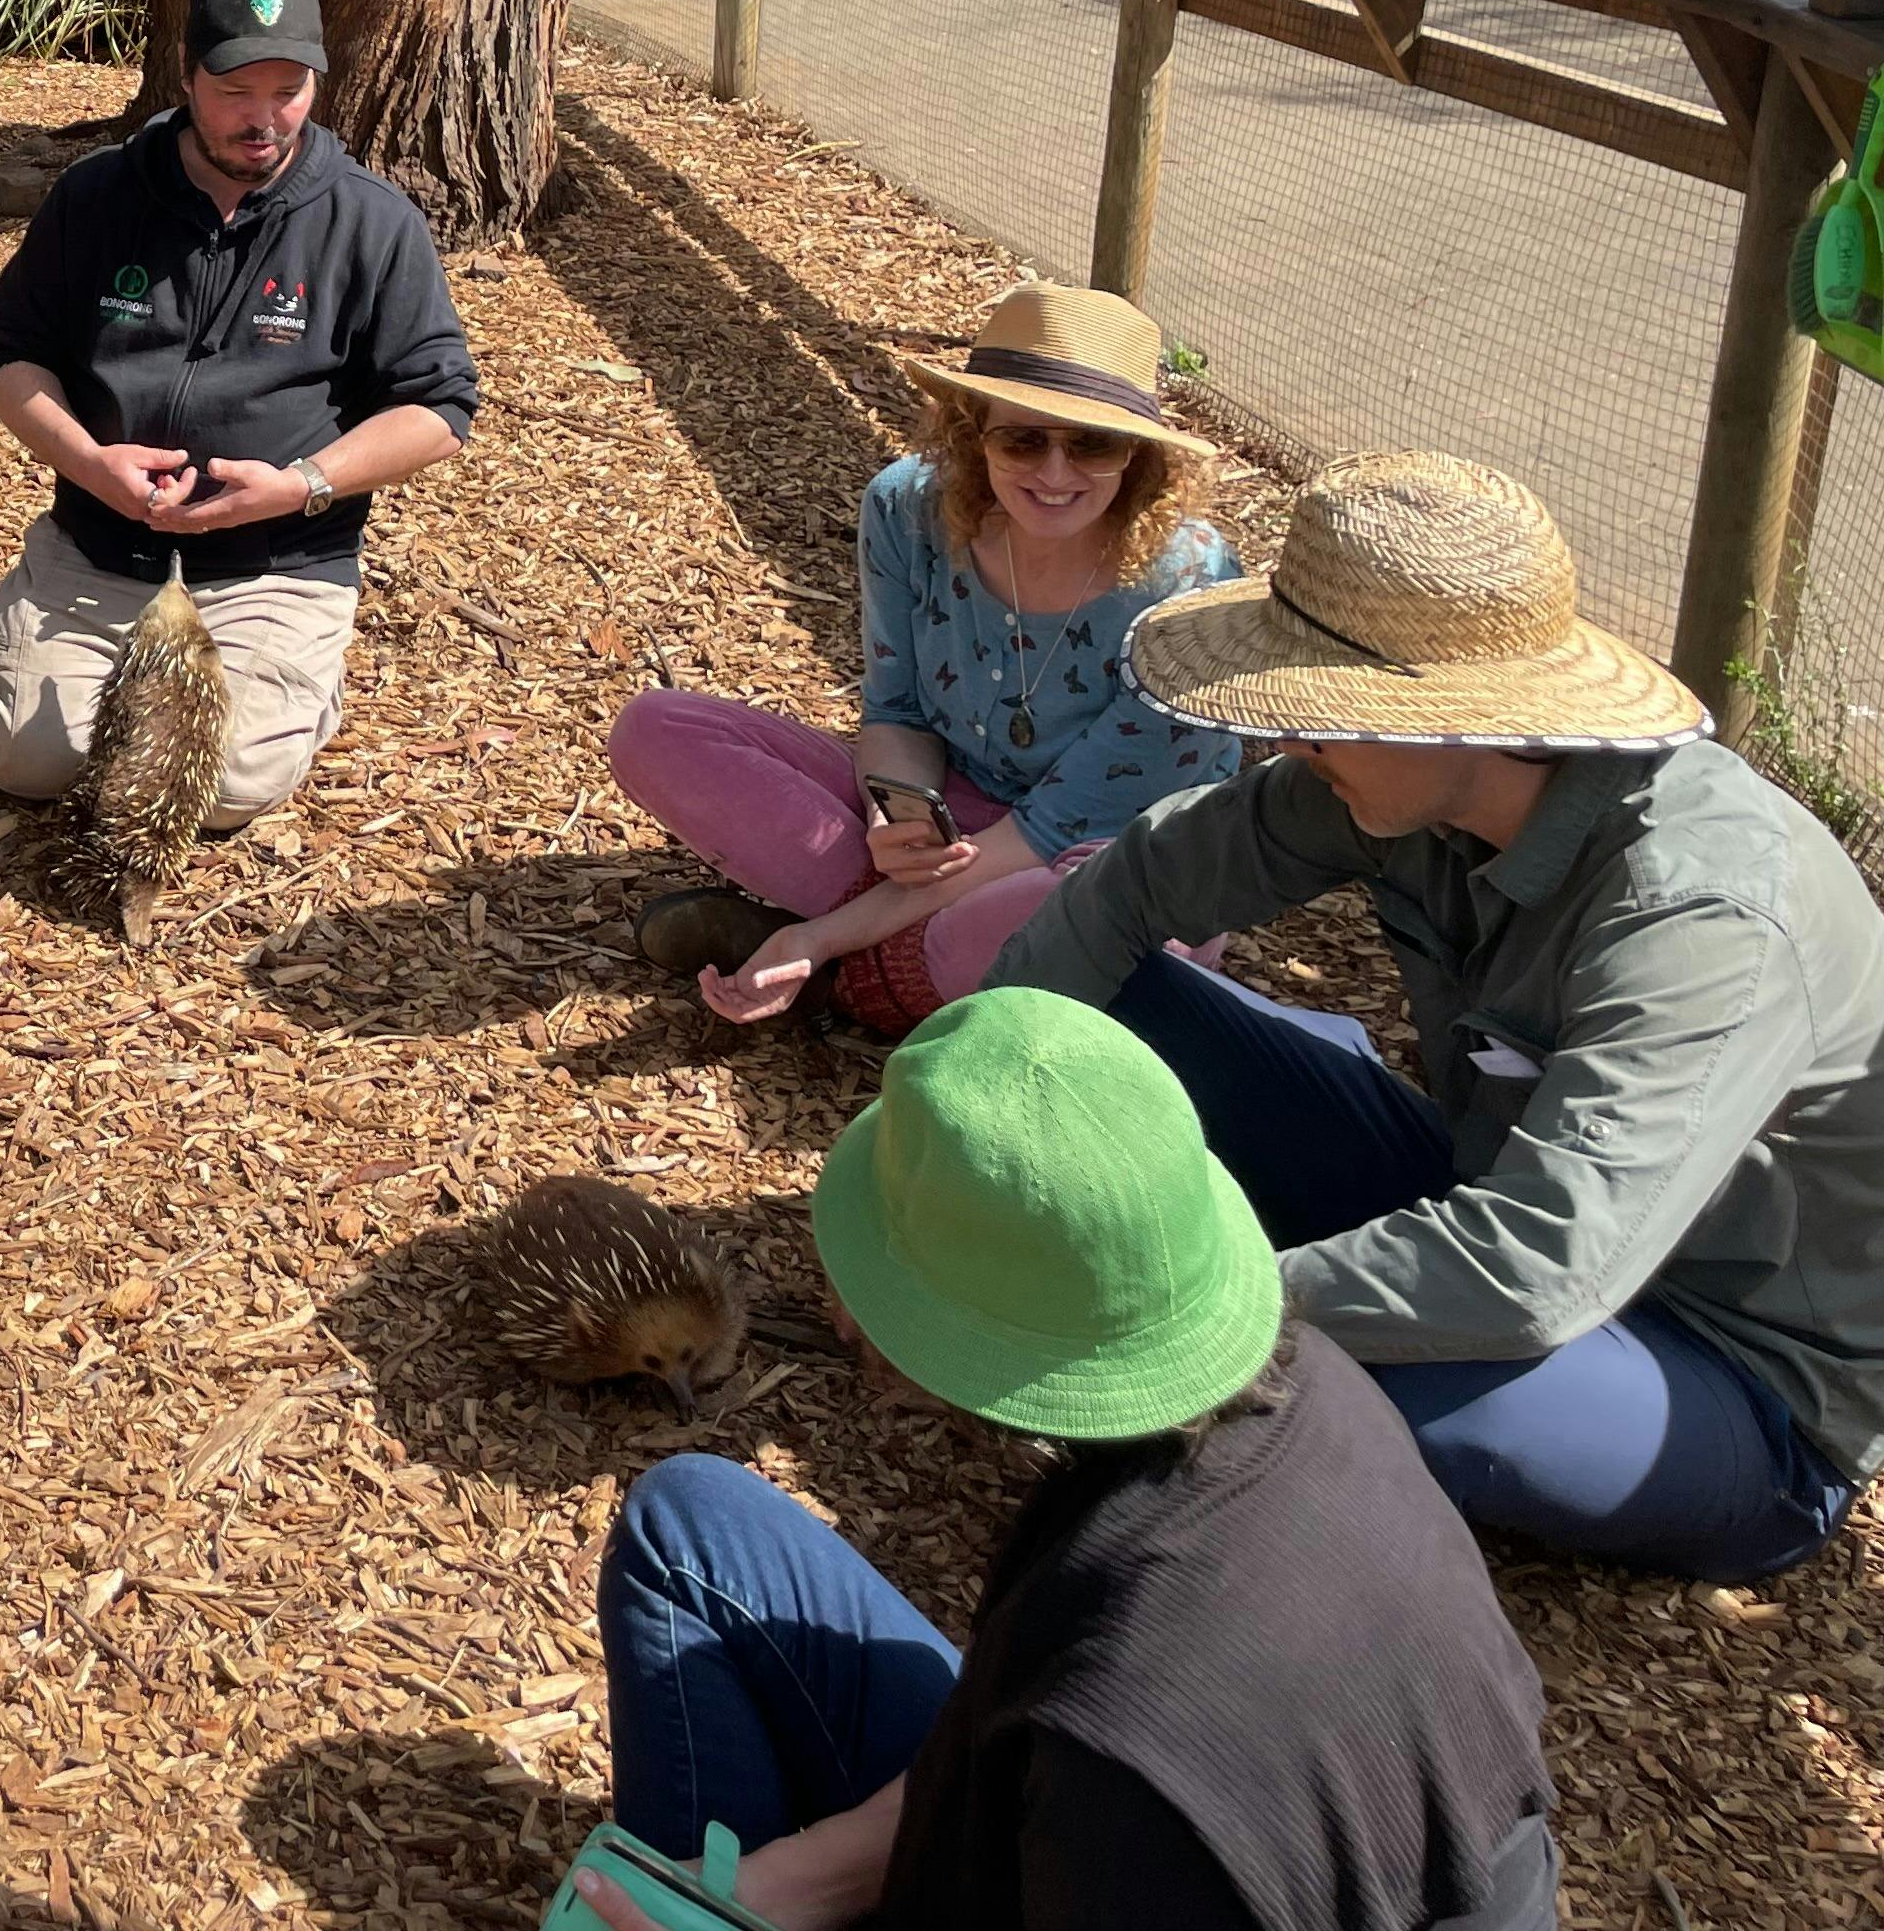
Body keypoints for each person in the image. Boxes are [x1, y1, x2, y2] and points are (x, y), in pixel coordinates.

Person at [985, 446, 1884, 1582]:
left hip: (1731, 1384)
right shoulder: (1408, 784)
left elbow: (1536, 1269)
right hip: (1482, 1197)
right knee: (1100, 1016)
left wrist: (1174, 1314)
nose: (1285, 741)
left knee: (1320, 1390)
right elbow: (1141, 879)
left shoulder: (1703, 915)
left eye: (1316, 712)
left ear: (1452, 714)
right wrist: (951, 1140)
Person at [584, 988, 1558, 1931]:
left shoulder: (1126, 1761)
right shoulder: (1303, 1385)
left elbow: (1117, 1768)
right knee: (691, 1533)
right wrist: (795, 1882)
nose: (840, 1307)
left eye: (884, 1280)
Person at [607, 281, 1241, 1032]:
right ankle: (934, 969)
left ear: (1139, 457)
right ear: (974, 432)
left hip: (1099, 853)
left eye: (1093, 444)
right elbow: (898, 711)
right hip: (962, 814)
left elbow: (1055, 827)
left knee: (1081, 906)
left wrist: (821, 934)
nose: (1056, 473)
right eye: (1023, 439)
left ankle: (848, 983)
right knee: (658, 729)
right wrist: (893, 818)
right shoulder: (907, 508)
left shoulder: (1192, 589)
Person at [0, 0, 479, 830]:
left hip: (273, 566)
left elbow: (439, 407)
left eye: (288, 91)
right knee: (32, 762)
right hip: (101, 545)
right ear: (187, 74)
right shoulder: (98, 195)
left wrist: (300, 486)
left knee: (222, 786)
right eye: (236, 90)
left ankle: (289, 677)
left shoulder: (372, 220)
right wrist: (88, 464)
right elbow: (9, 355)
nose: (263, 119)